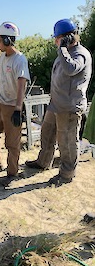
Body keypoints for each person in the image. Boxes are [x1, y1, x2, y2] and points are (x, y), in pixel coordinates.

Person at [25, 19, 92, 186]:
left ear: (67, 38)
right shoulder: (65, 52)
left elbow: (71, 69)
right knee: (47, 133)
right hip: (56, 104)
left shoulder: (79, 53)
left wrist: (62, 48)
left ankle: (66, 174)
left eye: (58, 38)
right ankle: (43, 162)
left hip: (69, 107)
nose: (55, 41)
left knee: (67, 142)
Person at [0, 22, 30, 182]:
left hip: (12, 106)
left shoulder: (20, 60)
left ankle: (12, 173)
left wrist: (18, 108)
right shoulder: (3, 57)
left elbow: (21, 84)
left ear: (7, 40)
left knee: (12, 143)